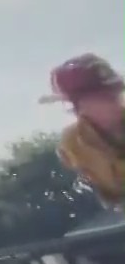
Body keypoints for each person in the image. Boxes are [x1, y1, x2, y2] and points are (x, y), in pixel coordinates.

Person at [46, 54, 125, 208]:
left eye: (114, 92)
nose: (115, 100)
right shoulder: (72, 146)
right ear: (79, 105)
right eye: (104, 97)